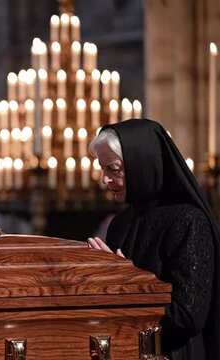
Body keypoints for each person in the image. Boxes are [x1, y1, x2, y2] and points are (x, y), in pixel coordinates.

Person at [87, 119, 219, 360]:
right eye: (103, 169)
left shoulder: (189, 220)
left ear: (141, 165)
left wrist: (126, 281)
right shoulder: (121, 223)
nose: (104, 180)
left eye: (114, 169)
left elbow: (188, 317)